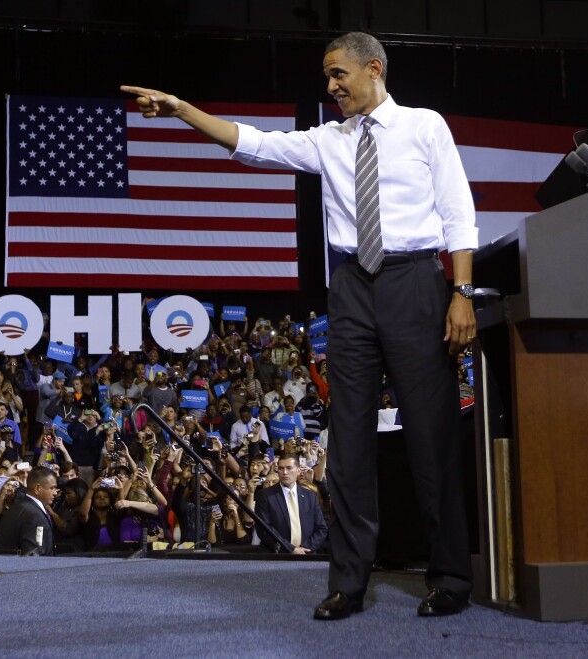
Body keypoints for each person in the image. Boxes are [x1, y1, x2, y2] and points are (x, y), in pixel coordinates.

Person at [121, 30, 476, 620]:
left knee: (432, 441)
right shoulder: (326, 139)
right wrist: (183, 110)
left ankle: (450, 579)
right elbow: (251, 144)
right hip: (352, 293)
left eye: (339, 74)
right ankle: (349, 583)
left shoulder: (424, 126)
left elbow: (458, 213)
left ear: (375, 69)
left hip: (416, 283)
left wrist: (459, 292)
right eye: (327, 76)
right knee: (350, 448)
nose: (331, 86)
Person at [0, 465, 57, 556]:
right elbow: (33, 557)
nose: (55, 492)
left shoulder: (14, 508)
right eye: (52, 488)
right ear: (37, 489)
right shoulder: (35, 516)